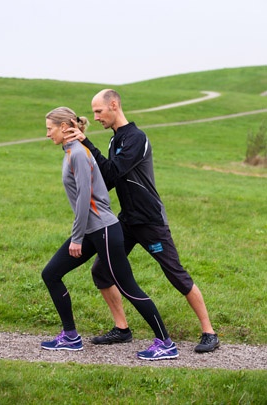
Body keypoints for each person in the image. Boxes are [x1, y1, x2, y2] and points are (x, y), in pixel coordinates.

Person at [63, 90, 220, 353]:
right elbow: (110, 181)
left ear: (114, 106)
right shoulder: (116, 141)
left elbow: (113, 171)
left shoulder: (136, 138)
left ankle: (209, 332)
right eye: (93, 113)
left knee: (176, 274)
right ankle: (122, 329)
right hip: (126, 220)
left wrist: (87, 143)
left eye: (99, 111)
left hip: (150, 221)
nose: (95, 117)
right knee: (101, 271)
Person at [40, 106, 179, 360]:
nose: (47, 134)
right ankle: (70, 337)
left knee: (128, 286)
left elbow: (85, 199)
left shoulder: (78, 154)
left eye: (50, 129)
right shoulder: (70, 150)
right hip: (95, 230)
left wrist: (77, 237)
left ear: (64, 127)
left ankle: (166, 343)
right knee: (51, 274)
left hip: (103, 230)